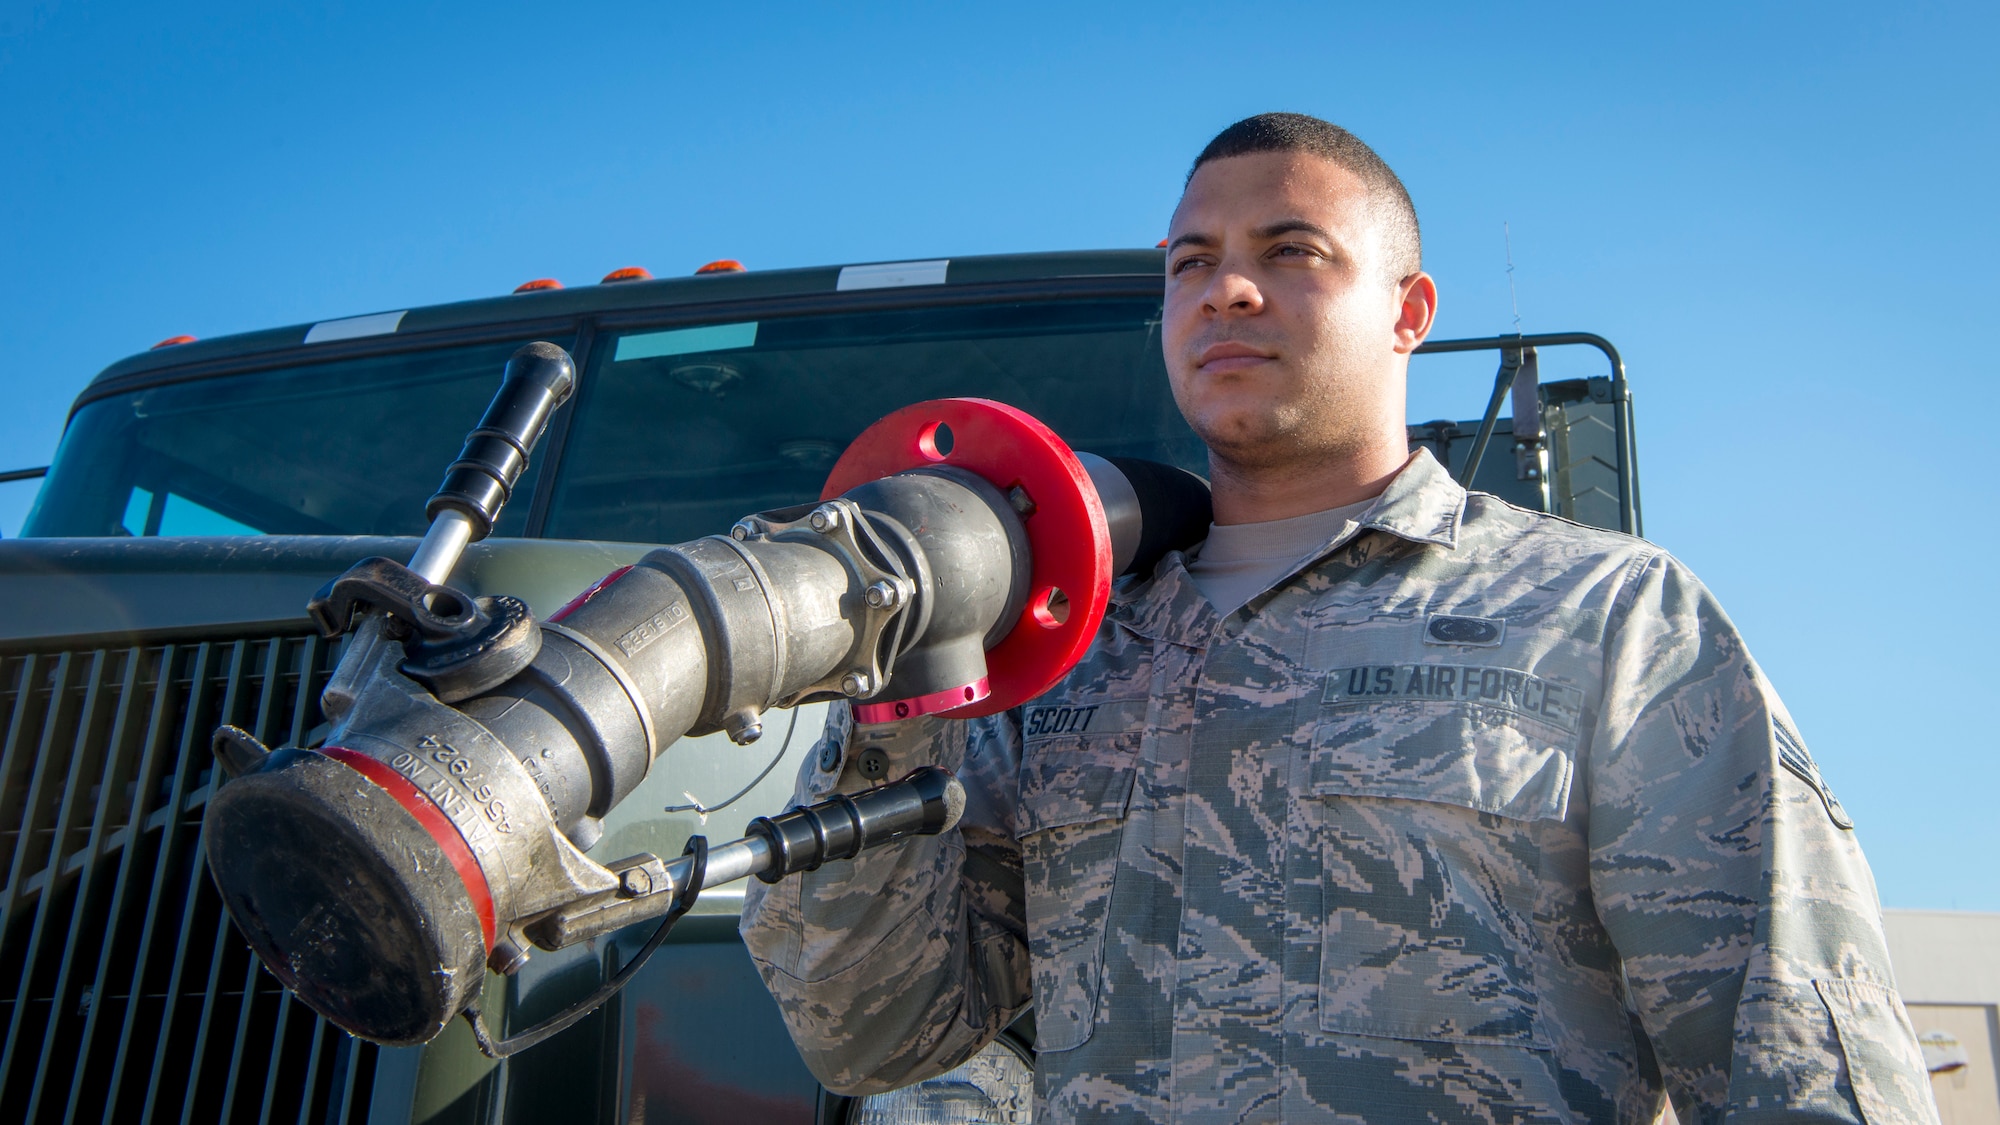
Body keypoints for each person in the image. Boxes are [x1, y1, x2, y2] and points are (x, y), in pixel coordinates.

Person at [740, 113, 1936, 1124]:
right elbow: (874, 1035)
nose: (1226, 289)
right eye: (1188, 262)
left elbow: (1790, 1047)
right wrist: (897, 694)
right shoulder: (1053, 662)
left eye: (1290, 249)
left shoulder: (1609, 615)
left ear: (1409, 310)